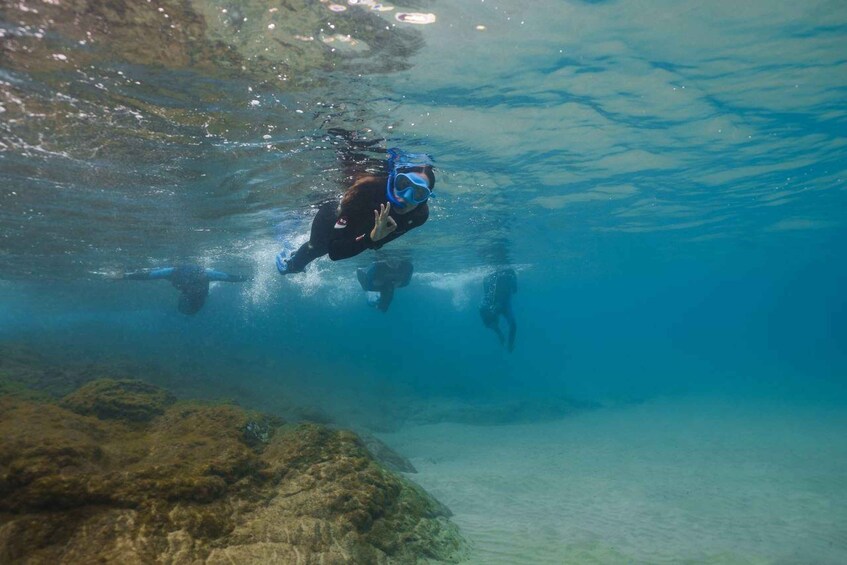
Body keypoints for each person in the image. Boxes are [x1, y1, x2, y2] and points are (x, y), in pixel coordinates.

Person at [275, 148, 435, 275]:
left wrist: (372, 238)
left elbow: (376, 242)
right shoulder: (365, 191)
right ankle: (292, 265)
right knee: (318, 249)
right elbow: (335, 252)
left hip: (366, 231)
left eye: (419, 193)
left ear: (425, 199)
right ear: (393, 179)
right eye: (403, 184)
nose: (406, 197)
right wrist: (371, 239)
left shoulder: (418, 216)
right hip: (334, 215)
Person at [120, 264, 250, 315]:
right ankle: (188, 303)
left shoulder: (207, 274)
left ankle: (190, 304)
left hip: (199, 294)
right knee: (186, 309)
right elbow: (147, 276)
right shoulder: (170, 272)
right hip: (193, 293)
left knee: (193, 309)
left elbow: (230, 278)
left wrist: (249, 278)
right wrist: (124, 276)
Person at [479, 268, 517, 352]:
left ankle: (508, 343)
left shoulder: (492, 275)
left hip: (503, 304)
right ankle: (506, 341)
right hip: (499, 303)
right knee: (512, 325)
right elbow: (515, 290)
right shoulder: (509, 272)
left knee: (513, 325)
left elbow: (514, 290)